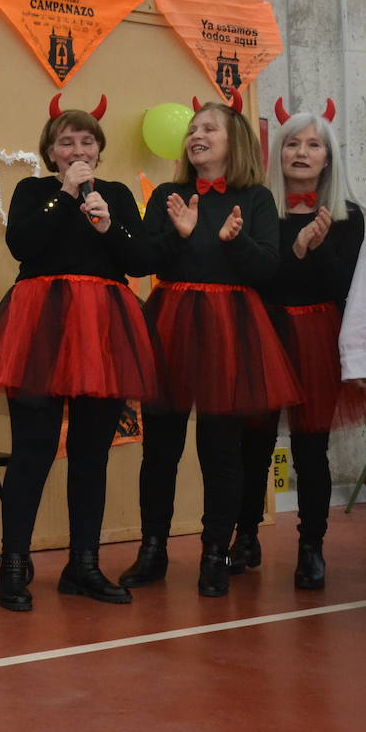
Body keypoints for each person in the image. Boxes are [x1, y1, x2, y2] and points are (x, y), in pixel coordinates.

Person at [0, 96, 157, 612]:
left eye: (87, 141)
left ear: (99, 149)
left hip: (103, 330)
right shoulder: (34, 190)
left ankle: (84, 565)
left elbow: (140, 259)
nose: (78, 149)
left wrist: (108, 226)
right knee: (32, 449)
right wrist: (65, 195)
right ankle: (13, 564)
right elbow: (22, 245)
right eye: (66, 142)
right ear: (51, 152)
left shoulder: (117, 194)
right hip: (42, 327)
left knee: (91, 453)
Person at [121, 92, 299, 598]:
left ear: (234, 141)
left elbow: (266, 268)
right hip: (172, 323)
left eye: (210, 129)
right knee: (160, 449)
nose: (197, 135)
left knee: (221, 450)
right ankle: (152, 549)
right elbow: (140, 261)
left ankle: (215, 553)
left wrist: (232, 240)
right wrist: (179, 235)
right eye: (193, 129)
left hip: (231, 329)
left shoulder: (257, 199)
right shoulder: (167, 195)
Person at [237, 100, 361, 590]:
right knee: (254, 444)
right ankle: (245, 537)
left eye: (313, 145)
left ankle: (311, 547)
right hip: (265, 332)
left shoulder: (351, 218)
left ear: (328, 158)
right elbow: (259, 278)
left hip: (317, 336)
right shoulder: (259, 210)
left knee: (312, 448)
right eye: (292, 143)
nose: (302, 153)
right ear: (278, 153)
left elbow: (344, 287)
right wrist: (297, 247)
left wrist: (320, 246)